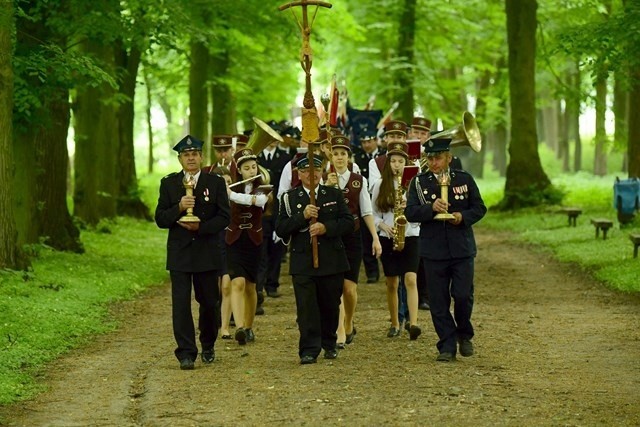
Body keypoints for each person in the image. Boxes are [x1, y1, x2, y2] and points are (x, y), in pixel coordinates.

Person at [405, 137, 487, 362]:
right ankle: (447, 345)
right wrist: (430, 208)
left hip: (461, 248)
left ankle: (464, 334)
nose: (433, 162)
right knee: (438, 301)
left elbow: (480, 208)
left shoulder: (464, 179)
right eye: (429, 158)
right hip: (433, 250)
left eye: (438, 158)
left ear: (448, 158)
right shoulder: (419, 182)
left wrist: (462, 217)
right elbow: (410, 212)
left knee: (462, 295)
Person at [154, 135, 230, 370]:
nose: (190, 158)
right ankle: (186, 352)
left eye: (194, 154)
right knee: (180, 305)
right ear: (179, 159)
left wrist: (202, 227)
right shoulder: (169, 184)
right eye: (186, 155)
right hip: (180, 254)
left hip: (207, 252)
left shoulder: (214, 182)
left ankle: (208, 343)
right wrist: (179, 207)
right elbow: (161, 219)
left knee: (209, 302)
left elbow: (224, 217)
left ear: (201, 157)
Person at [275, 154, 354, 364]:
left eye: (317, 170)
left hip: (331, 259)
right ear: (299, 174)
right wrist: (302, 217)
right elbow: (281, 229)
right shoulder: (289, 198)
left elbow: (348, 222)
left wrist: (326, 227)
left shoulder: (334, 194)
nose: (313, 174)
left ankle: (329, 342)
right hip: (303, 261)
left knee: (329, 304)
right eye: (308, 171)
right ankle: (309, 349)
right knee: (306, 307)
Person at [324, 135, 382, 348]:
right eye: (336, 154)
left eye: (343, 154)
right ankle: (339, 330)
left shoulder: (359, 180)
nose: (339, 158)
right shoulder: (324, 179)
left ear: (349, 157)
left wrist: (375, 239)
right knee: (336, 286)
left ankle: (349, 321)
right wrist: (327, 188)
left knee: (349, 288)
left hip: (353, 238)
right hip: (331, 238)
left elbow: (366, 212)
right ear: (331, 156)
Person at [370, 138, 422, 340]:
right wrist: (383, 226)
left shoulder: (414, 184)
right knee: (392, 282)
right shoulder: (380, 185)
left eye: (401, 161)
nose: (397, 165)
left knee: (411, 278)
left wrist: (408, 205)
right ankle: (394, 323)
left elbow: (421, 212)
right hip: (388, 236)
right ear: (388, 163)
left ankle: (414, 322)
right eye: (393, 161)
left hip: (410, 234)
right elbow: (372, 213)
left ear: (406, 163)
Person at [225, 148, 270, 345]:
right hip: (234, 239)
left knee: (251, 287)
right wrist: (226, 191)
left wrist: (231, 195)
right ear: (239, 171)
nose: (251, 171)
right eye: (247, 168)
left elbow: (258, 202)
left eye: (254, 167)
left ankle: (249, 326)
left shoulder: (263, 188)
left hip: (254, 240)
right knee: (237, 283)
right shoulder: (231, 186)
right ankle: (240, 327)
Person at [257, 133, 292, 298]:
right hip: (260, 209)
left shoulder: (285, 157)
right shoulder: (256, 157)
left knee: (276, 248)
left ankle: (272, 284)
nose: (271, 141)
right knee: (261, 250)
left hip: (277, 208)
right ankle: (259, 285)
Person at [353, 126, 385, 284]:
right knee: (366, 236)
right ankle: (372, 271)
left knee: (384, 233)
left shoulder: (382, 157)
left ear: (375, 140)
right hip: (364, 199)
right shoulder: (357, 158)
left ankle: (387, 266)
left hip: (382, 200)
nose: (366, 145)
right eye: (363, 142)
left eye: (369, 141)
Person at [408, 117, 433, 312]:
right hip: (409, 210)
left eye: (423, 133)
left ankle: (425, 295)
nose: (418, 136)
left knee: (426, 256)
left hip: (429, 210)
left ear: (429, 136)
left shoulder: (433, 157)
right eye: (415, 132)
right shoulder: (401, 155)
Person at [211, 166, 233, 340]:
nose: (227, 186)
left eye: (229, 182)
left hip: (230, 246)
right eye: (223, 182)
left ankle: (225, 327)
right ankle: (211, 322)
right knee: (213, 289)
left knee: (227, 286)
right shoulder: (209, 201)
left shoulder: (237, 200)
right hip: (212, 246)